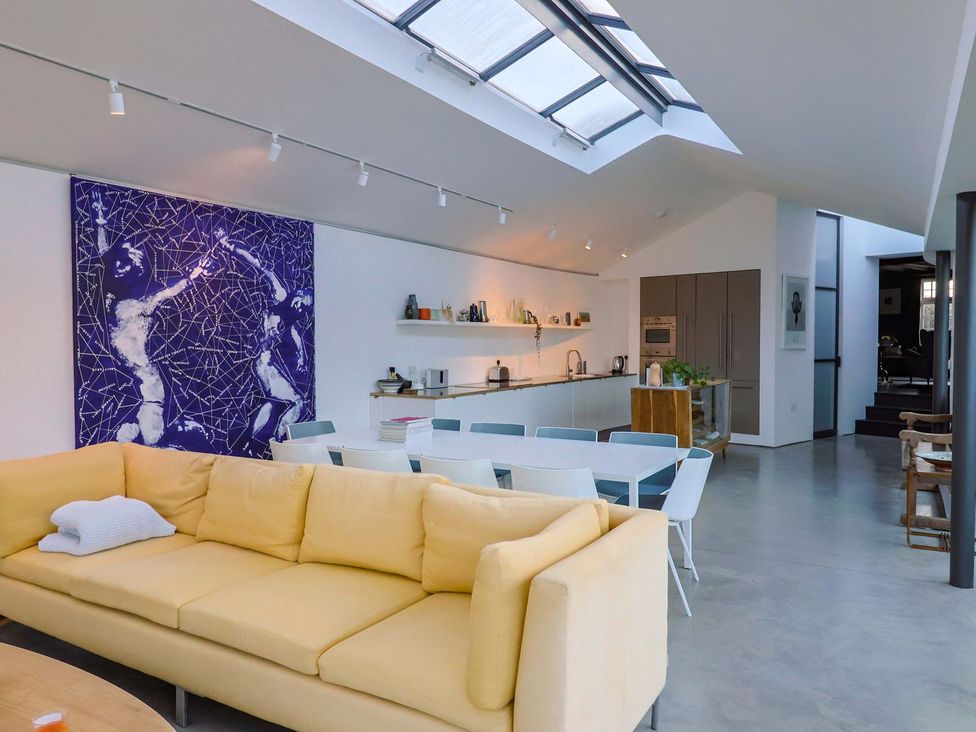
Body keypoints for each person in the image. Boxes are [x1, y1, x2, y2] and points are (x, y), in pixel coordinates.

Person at [94, 192, 216, 446]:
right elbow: (105, 254)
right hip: (129, 381)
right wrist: (100, 223)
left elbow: (169, 291)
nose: (119, 266)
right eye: (118, 261)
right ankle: (181, 430)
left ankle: (186, 430)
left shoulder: (142, 302)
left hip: (146, 382)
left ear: (136, 270)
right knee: (129, 438)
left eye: (126, 263)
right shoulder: (111, 292)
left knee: (153, 444)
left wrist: (194, 275)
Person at [218, 229, 311, 446]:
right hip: (262, 361)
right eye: (303, 304)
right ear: (298, 298)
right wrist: (229, 247)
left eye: (304, 307)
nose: (301, 309)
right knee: (296, 402)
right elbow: (263, 267)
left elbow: (294, 334)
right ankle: (280, 443)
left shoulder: (289, 317)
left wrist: (302, 358)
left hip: (263, 360)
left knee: (274, 401)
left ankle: (255, 441)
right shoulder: (280, 295)